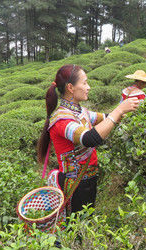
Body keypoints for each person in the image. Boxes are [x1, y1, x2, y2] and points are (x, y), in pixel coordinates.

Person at [37, 64, 140, 215]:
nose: (88, 87)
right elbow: (90, 139)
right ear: (71, 88)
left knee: (86, 221)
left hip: (87, 179)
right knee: (75, 226)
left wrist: (125, 107)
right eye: (84, 83)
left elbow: (104, 117)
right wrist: (119, 110)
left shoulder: (80, 111)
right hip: (73, 183)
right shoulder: (61, 119)